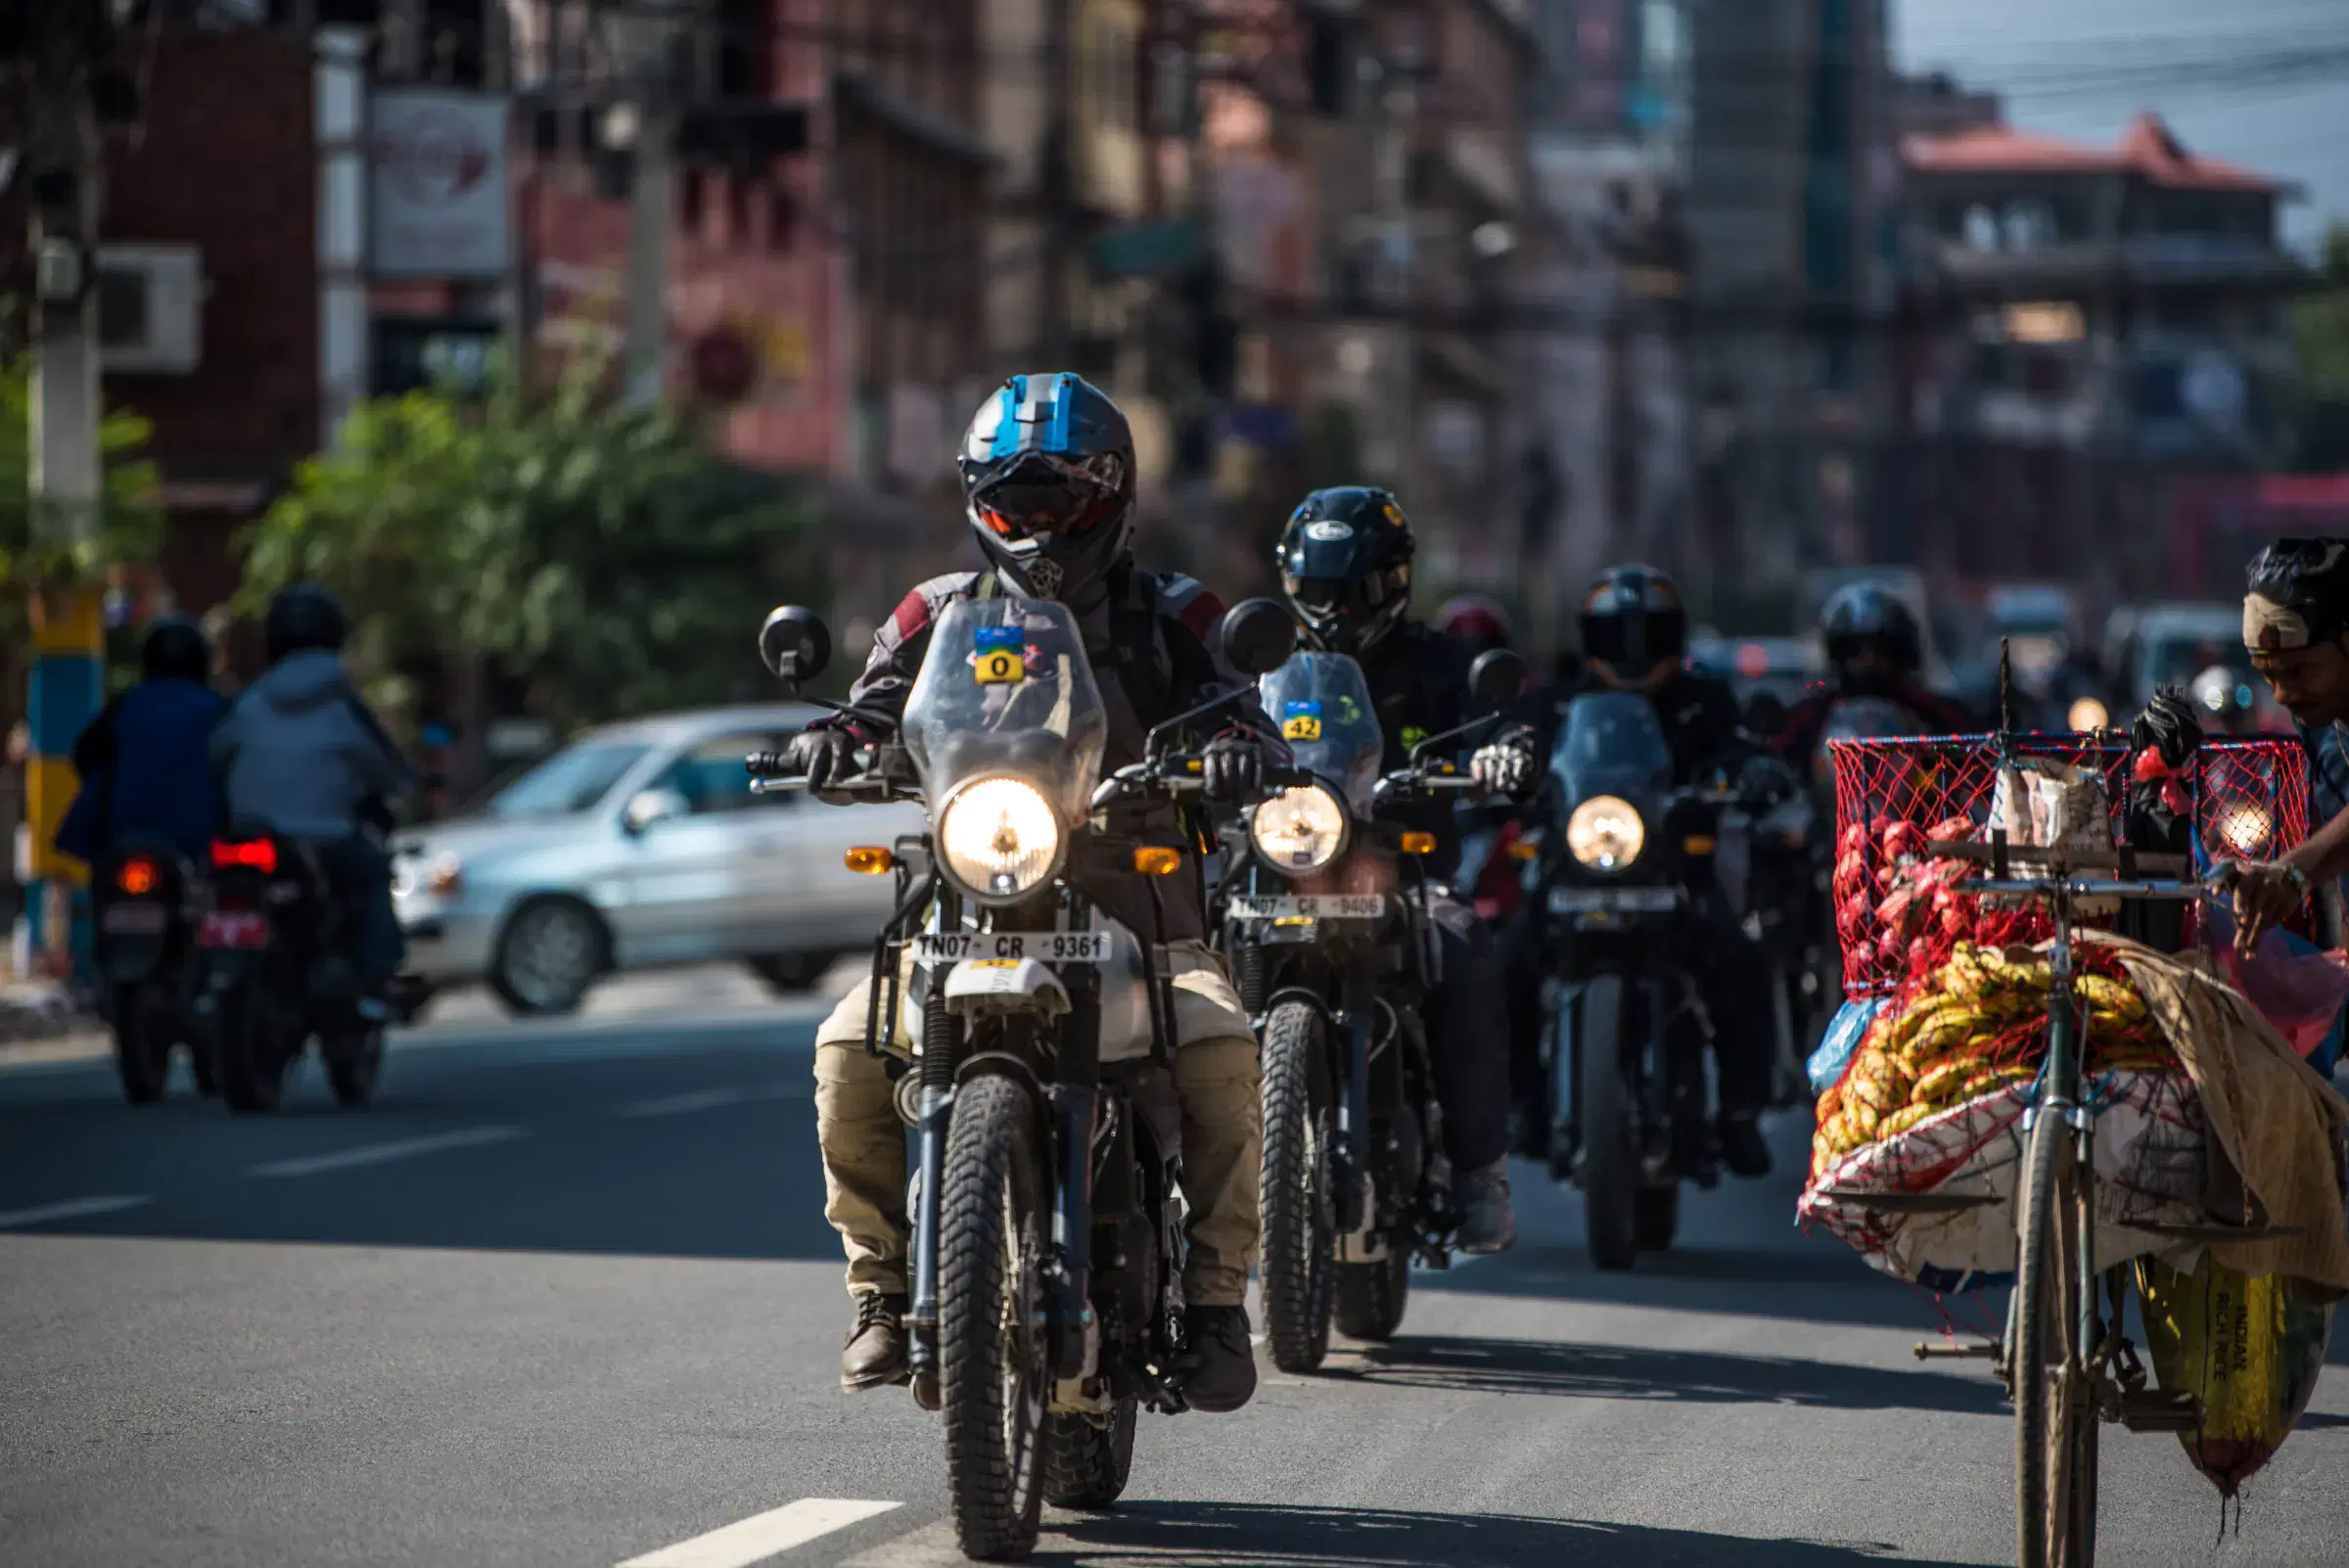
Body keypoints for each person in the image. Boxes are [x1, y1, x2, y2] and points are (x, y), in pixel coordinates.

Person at [778, 372, 1279, 1410]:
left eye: (1064, 499)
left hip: (1145, 923)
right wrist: (830, 742)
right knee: (843, 1051)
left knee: (1228, 1051)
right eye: (1016, 501)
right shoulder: (936, 611)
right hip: (967, 907)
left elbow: (1246, 714)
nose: (1042, 523)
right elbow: (872, 712)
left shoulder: (1175, 612)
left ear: (1114, 496)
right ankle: (879, 1295)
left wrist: (1238, 749)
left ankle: (1219, 1299)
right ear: (978, 503)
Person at [1272, 486, 1529, 1255]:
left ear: (1395, 583)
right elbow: (1210, 714)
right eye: (1320, 592)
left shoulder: (1441, 664)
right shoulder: (1268, 669)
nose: (1340, 609)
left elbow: (1505, 720)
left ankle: (1481, 1173)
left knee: (1466, 948)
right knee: (1187, 975)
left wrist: (1503, 750)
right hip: (1285, 879)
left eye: (1358, 591)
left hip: (1410, 883)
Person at [1510, 564, 1778, 1177]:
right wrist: (1500, 764)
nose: (1633, 650)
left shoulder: (1701, 699)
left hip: (1676, 875)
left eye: (1647, 633)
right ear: (1591, 639)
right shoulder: (1557, 701)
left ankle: (1740, 1115)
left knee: (1741, 959)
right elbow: (1516, 743)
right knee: (1505, 963)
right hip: (1576, 872)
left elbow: (1739, 746)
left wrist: (1754, 770)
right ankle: (1520, 1108)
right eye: (1617, 634)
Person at [208, 584, 413, 1004]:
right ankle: (379, 978)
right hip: (328, 842)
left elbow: (213, 757)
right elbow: (390, 773)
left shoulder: (249, 703)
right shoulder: (343, 707)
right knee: (375, 872)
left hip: (252, 842)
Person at [2218, 539, 2349, 952]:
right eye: (2267, 675)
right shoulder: (2319, 719)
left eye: (2297, 670)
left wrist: (2293, 871)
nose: (2281, 694)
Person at [57, 615, 226, 870]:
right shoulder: (219, 709)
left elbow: (84, 755)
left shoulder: (125, 706)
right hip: (200, 847)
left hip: (126, 844)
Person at [1767, 582, 1973, 763]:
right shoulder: (1816, 713)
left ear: (1899, 655)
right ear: (1838, 658)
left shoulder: (1925, 708)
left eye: (1880, 652)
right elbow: (1778, 750)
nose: (1869, 662)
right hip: (1830, 805)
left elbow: (1973, 741)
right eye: (1855, 653)